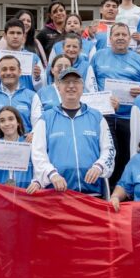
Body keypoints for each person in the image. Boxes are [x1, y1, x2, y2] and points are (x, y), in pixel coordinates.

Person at [86, 23, 140, 188]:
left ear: (129, 38)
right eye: (116, 34)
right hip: (105, 117)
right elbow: (89, 85)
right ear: (110, 38)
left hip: (130, 118)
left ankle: (125, 192)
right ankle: (107, 192)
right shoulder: (98, 57)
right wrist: (102, 102)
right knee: (107, 156)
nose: (120, 38)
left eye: (124, 35)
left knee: (127, 157)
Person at [30, 67, 115, 196]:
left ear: (82, 87)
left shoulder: (97, 117)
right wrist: (52, 174)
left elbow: (109, 149)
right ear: (58, 87)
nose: (71, 86)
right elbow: (38, 153)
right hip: (58, 194)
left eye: (75, 82)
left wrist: (99, 166)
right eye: (66, 82)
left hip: (92, 194)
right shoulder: (46, 118)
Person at [0, 55, 42, 147]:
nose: (8, 72)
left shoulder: (32, 96)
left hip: (26, 148)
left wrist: (34, 134)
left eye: (12, 69)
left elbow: (38, 121)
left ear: (20, 72)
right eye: (4, 69)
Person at [0, 106, 36, 191]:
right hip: (2, 195)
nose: (7, 123)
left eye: (11, 119)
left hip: (26, 194)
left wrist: (36, 182)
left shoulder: (29, 143)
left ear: (18, 122)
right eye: (2, 121)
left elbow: (38, 171)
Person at [0, 18, 45, 91]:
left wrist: (37, 78)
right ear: (5, 36)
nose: (15, 36)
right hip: (0, 97)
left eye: (19, 33)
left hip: (27, 97)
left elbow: (42, 88)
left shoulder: (34, 58)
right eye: (12, 33)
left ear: (23, 36)